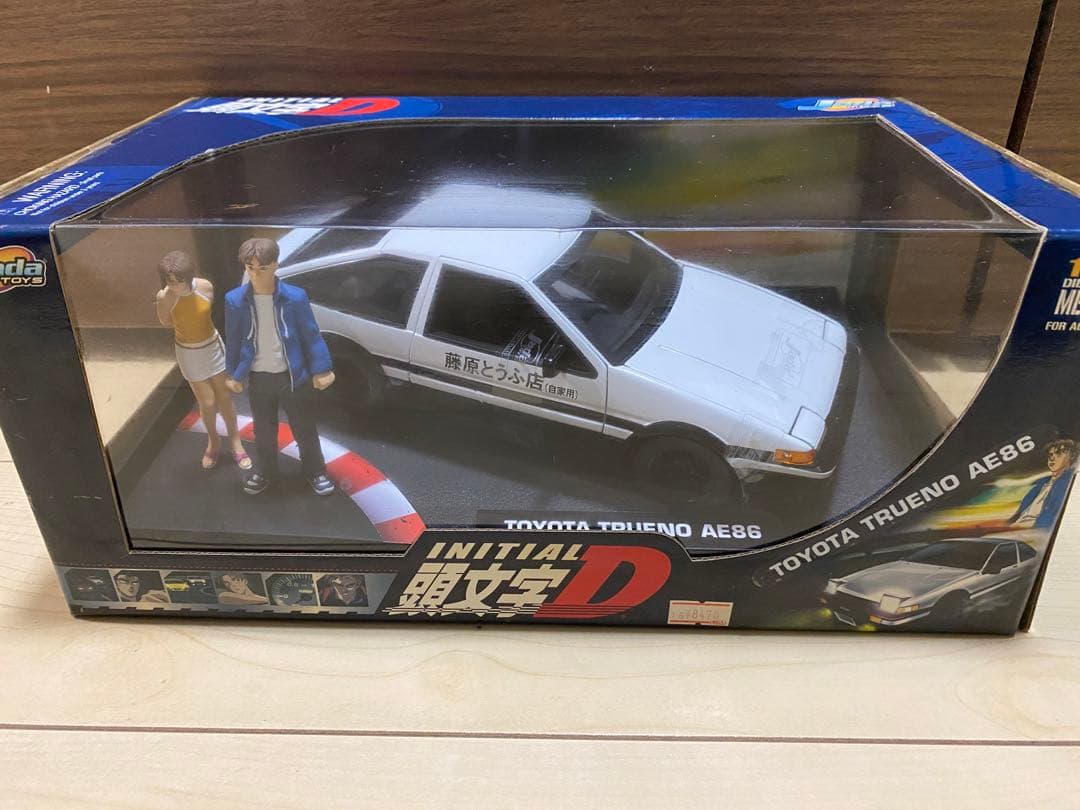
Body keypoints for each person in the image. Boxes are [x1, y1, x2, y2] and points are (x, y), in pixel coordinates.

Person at [224, 237, 337, 496]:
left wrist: (321, 369)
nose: (255, 274)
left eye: (262, 268)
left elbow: (311, 335)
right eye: (250, 267)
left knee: (304, 427)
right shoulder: (234, 300)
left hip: (293, 376)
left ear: (275, 264)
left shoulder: (295, 297)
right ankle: (265, 470)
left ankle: (315, 470)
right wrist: (233, 373)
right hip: (259, 377)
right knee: (263, 431)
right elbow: (233, 339)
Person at [155, 251, 251, 471]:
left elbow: (206, 311)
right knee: (207, 402)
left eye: (179, 280)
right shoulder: (164, 297)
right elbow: (166, 322)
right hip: (188, 352)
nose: (174, 285)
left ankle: (235, 440)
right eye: (169, 280)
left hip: (212, 347)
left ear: (189, 275)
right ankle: (213, 440)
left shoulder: (205, 286)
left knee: (224, 397)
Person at [1010, 439, 1078, 529]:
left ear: (1071, 456)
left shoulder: (1068, 483)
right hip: (1018, 527)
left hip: (1034, 530)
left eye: (1058, 454)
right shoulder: (1041, 483)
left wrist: (1022, 526)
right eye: (1051, 454)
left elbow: (1052, 519)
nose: (1052, 458)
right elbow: (1019, 513)